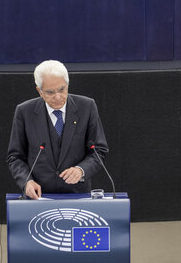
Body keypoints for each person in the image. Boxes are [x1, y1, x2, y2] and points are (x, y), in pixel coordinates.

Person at [7, 60, 108, 199]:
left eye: (62, 89)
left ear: (68, 85)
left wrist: (81, 170)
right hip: (39, 196)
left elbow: (99, 151)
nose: (58, 97)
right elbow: (15, 157)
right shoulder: (24, 112)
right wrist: (27, 181)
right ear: (40, 91)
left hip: (77, 196)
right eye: (50, 92)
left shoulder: (87, 107)